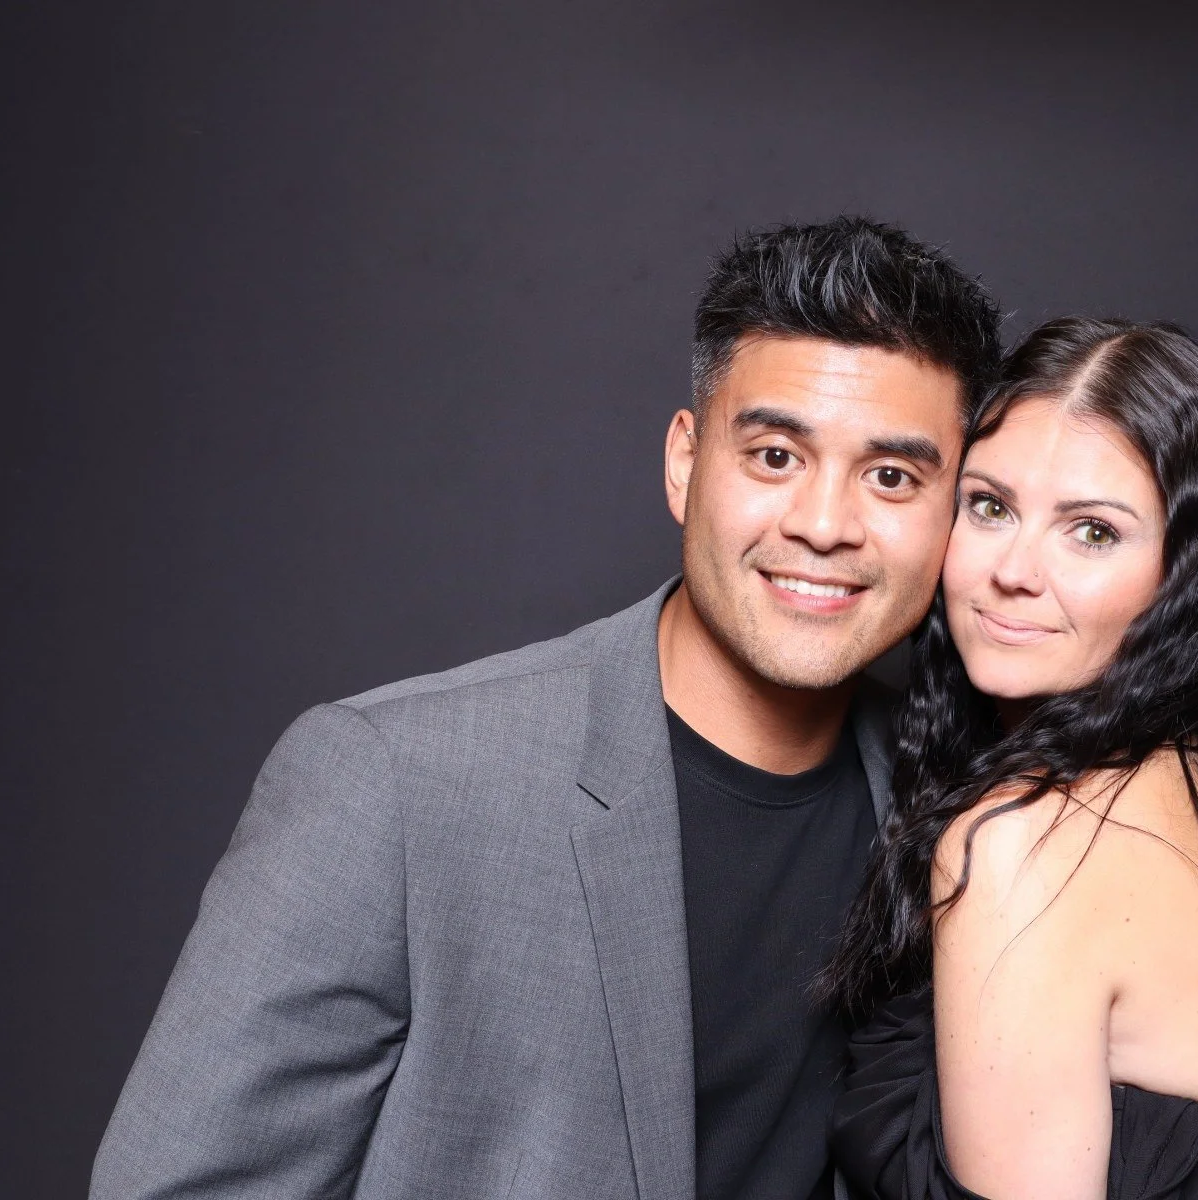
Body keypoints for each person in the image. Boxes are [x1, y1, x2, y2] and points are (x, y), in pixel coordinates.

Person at [91, 216, 1002, 1200]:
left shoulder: (960, 807)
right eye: (776, 456)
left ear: (958, 509)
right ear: (684, 464)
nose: (825, 526)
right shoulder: (395, 782)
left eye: (892, 477)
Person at [822, 317, 1198, 1199]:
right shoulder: (1180, 782)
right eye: (990, 508)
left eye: (1093, 533)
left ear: (1182, 580)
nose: (1015, 571)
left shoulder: (1028, 846)